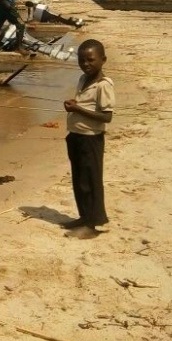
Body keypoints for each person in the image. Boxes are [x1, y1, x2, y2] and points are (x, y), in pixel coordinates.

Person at [62, 39, 115, 239]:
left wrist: (78, 109)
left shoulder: (104, 85)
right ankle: (84, 216)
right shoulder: (83, 80)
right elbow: (86, 104)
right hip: (76, 136)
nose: (86, 64)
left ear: (103, 60)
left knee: (91, 181)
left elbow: (106, 117)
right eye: (81, 60)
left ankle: (92, 225)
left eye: (91, 60)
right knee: (79, 180)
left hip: (91, 139)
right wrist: (75, 103)